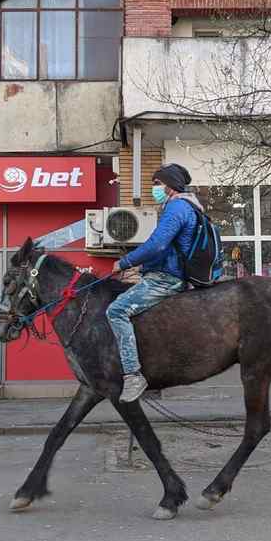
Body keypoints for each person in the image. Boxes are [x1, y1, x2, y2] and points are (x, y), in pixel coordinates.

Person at [107, 163, 203, 403]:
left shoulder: (177, 207)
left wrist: (125, 262)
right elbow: (165, 248)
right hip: (163, 273)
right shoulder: (180, 206)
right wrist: (141, 266)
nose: (154, 188)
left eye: (157, 184)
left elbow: (157, 245)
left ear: (170, 186)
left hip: (165, 280)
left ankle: (133, 375)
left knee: (117, 310)